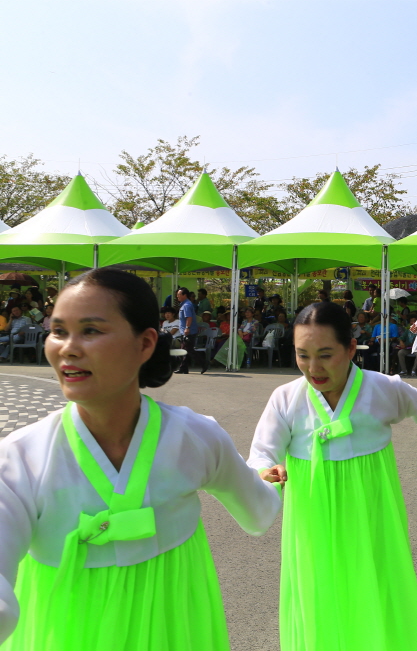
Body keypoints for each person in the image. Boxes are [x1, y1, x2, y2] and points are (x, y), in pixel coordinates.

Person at [0, 268, 281, 649]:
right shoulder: (19, 460)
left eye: (91, 330)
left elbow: (257, 510)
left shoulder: (196, 438)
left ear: (145, 343)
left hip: (175, 633)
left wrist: (267, 470)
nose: (68, 347)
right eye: (58, 330)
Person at [249, 301, 417, 651]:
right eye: (302, 355)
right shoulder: (286, 398)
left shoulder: (384, 388)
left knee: (377, 587)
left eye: (325, 354)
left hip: (373, 516)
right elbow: (262, 453)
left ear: (351, 347)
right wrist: (268, 470)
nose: (314, 368)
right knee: (317, 592)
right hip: (312, 523)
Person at [174, 288, 199, 374]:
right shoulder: (184, 304)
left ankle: (204, 363)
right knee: (185, 350)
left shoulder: (187, 305)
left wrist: (187, 327)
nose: (177, 296)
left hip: (188, 332)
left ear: (184, 295)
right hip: (184, 331)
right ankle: (183, 368)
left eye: (179, 294)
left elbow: (189, 317)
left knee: (188, 350)